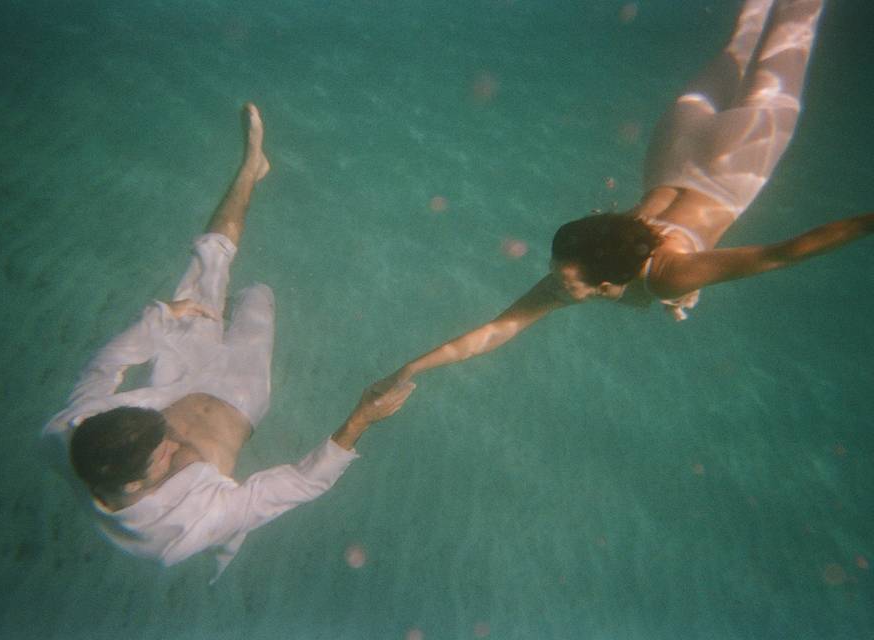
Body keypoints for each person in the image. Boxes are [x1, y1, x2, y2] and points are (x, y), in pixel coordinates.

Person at [378, 0, 872, 389]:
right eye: (557, 276)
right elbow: (500, 328)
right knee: (744, 40)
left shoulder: (670, 275)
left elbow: (783, 253)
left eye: (566, 284)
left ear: (605, 286)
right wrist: (413, 369)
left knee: (789, 23)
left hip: (729, 160)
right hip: (678, 146)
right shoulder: (594, 258)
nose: (554, 287)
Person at [42, 103, 415, 582]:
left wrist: (157, 320)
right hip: (240, 394)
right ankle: (242, 291)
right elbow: (299, 482)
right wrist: (363, 416)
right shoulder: (182, 532)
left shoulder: (70, 431)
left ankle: (249, 169)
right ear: (137, 483)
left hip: (179, 375)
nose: (175, 442)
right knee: (259, 296)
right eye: (167, 451)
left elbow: (102, 367)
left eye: (162, 433)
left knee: (206, 267)